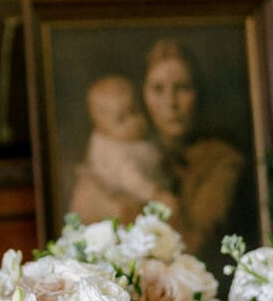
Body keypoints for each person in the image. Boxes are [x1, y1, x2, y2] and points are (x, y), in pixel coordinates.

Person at [139, 38, 245, 255]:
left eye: (182, 88)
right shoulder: (127, 155)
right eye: (158, 89)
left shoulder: (223, 160)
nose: (171, 102)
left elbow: (194, 244)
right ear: (143, 95)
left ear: (199, 93)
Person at [69, 74, 179, 225]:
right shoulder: (115, 152)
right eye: (121, 119)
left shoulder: (132, 138)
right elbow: (132, 180)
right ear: (102, 127)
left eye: (134, 111)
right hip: (128, 198)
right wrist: (156, 193)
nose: (133, 121)